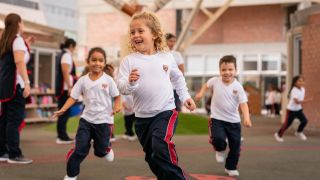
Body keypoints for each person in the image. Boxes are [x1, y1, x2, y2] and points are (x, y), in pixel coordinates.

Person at [117, 11, 196, 180]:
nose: (135, 35)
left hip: (165, 112)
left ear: (153, 34)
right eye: (132, 32)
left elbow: (177, 78)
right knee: (152, 157)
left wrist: (185, 97)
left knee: (160, 145)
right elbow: (122, 88)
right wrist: (131, 83)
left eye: (140, 31)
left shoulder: (166, 57)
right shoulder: (128, 61)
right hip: (142, 119)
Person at [52, 47, 121, 180]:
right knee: (80, 149)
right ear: (88, 61)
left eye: (101, 60)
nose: (97, 63)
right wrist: (63, 109)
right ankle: (71, 174)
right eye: (94, 60)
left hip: (104, 122)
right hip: (86, 121)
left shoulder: (108, 80)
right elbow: (73, 97)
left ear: (105, 62)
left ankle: (106, 148)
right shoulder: (83, 80)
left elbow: (117, 96)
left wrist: (117, 106)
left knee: (100, 152)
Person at [195, 55, 252, 177]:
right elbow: (206, 85)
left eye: (230, 69)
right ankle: (220, 149)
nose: (227, 72)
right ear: (219, 71)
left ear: (235, 70)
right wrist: (200, 93)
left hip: (234, 122)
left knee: (236, 147)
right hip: (217, 119)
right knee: (219, 139)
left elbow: (243, 105)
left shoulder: (238, 87)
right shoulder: (215, 81)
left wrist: (246, 118)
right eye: (224, 70)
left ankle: (230, 167)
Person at [0, 13, 33, 164]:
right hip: (15, 85)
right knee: (14, 120)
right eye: (23, 22)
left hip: (5, 85)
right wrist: (27, 83)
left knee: (5, 119)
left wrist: (26, 44)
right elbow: (19, 62)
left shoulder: (5, 40)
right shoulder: (17, 40)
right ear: (19, 23)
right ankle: (14, 154)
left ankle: (3, 151)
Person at [274, 75, 312, 142]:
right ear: (295, 82)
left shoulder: (303, 89)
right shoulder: (294, 90)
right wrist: (307, 100)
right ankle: (278, 135)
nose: (301, 82)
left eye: (302, 81)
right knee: (287, 124)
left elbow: (299, 101)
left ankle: (298, 132)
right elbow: (296, 101)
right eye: (299, 81)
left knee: (304, 121)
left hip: (298, 110)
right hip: (291, 110)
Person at [55, 38, 77, 144]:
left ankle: (61, 135)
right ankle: (62, 136)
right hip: (64, 89)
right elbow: (65, 71)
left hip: (63, 88)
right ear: (72, 46)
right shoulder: (66, 55)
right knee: (64, 112)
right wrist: (69, 87)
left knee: (63, 111)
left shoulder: (62, 54)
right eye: (74, 47)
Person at [165, 33, 185, 112]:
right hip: (163, 87)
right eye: (170, 41)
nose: (172, 43)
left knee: (176, 108)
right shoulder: (159, 54)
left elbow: (182, 71)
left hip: (174, 88)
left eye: (174, 41)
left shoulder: (177, 55)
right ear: (165, 41)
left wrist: (171, 77)